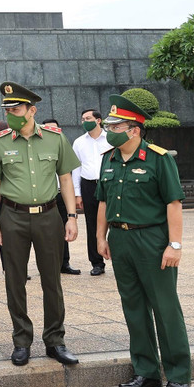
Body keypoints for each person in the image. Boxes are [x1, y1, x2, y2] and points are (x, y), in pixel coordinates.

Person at [96, 94, 191, 387]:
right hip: (120, 240)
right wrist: (100, 237)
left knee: (165, 307)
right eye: (108, 124)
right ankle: (146, 371)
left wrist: (174, 245)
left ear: (134, 129)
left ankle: (178, 375)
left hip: (152, 240)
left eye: (115, 125)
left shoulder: (158, 158)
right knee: (133, 307)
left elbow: (173, 204)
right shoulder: (108, 159)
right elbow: (102, 201)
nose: (109, 129)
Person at [0, 82, 81, 367]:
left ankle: (55, 341)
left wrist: (72, 217)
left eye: (16, 109)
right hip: (12, 216)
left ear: (32, 110)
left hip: (49, 216)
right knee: (15, 280)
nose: (11, 113)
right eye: (8, 109)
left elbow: (65, 179)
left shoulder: (55, 139)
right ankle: (21, 341)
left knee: (52, 280)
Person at [72, 108, 110, 276]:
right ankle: (97, 263)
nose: (84, 121)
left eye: (88, 118)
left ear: (98, 120)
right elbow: (76, 169)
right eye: (82, 119)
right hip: (89, 186)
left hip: (109, 183)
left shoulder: (111, 139)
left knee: (117, 222)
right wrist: (77, 193)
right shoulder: (79, 142)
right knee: (92, 224)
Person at [43, 119, 81, 276]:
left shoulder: (62, 146)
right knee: (45, 233)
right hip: (46, 196)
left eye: (54, 129)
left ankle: (64, 263)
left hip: (61, 194)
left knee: (64, 229)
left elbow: (70, 174)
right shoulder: (38, 147)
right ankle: (47, 265)